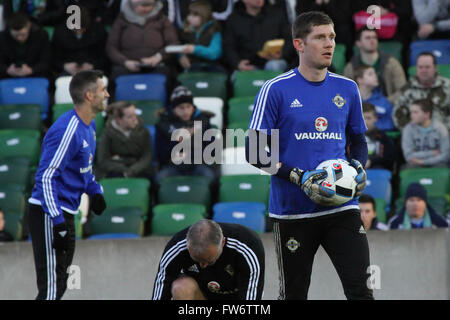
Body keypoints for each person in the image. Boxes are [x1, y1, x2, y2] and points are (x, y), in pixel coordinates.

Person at [246, 11, 373, 300]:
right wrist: (299, 177)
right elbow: (253, 151)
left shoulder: (348, 88)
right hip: (293, 211)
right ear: (299, 44)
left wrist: (357, 168)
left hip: (342, 207)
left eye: (332, 37)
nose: (329, 44)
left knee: (361, 291)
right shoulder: (275, 89)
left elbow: (358, 141)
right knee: (294, 295)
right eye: (320, 37)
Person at [27, 70, 109, 300]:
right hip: (49, 213)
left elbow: (83, 169)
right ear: (89, 96)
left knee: (60, 284)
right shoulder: (67, 129)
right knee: (52, 287)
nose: (107, 94)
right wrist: (57, 221)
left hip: (66, 212)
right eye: (103, 90)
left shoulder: (89, 127)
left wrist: (95, 191)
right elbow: (46, 177)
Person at [152, 219, 265, 300]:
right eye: (197, 260)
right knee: (181, 287)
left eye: (209, 261)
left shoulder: (248, 246)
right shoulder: (177, 246)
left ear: (223, 243)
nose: (203, 266)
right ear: (187, 244)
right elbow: (162, 285)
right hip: (201, 296)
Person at [106, 0, 179, 84]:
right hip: (126, 66)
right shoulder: (121, 19)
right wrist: (125, 62)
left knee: (168, 74)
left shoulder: (162, 19)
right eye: (142, 6)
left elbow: (173, 44)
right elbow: (111, 47)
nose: (146, 9)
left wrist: (158, 57)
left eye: (149, 5)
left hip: (157, 65)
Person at [155, 85, 215, 183]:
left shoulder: (203, 122)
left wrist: (189, 155)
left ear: (193, 107)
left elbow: (212, 151)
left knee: (210, 178)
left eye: (188, 107)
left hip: (197, 165)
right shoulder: (163, 125)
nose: (185, 111)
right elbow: (161, 155)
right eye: (181, 108)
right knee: (160, 179)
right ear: (173, 108)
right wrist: (179, 140)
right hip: (173, 166)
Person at [223, 0, 295, 73]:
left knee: (274, 65)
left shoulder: (277, 14)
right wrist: (237, 63)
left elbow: (290, 39)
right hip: (248, 65)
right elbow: (228, 46)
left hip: (274, 61)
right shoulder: (233, 19)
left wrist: (281, 54)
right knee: (240, 75)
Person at [343, 26, 406, 103]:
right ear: (358, 43)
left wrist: (385, 103)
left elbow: (403, 89)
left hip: (388, 107)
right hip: (361, 107)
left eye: (374, 37)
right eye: (368, 38)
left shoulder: (392, 63)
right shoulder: (351, 67)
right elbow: (345, 92)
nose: (372, 40)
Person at [393, 52, 450, 131]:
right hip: (415, 136)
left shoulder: (447, 86)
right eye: (420, 67)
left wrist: (443, 129)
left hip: (443, 135)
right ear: (416, 68)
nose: (423, 70)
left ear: (435, 68)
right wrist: (412, 130)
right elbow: (398, 115)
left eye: (427, 67)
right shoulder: (407, 89)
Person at [96, 101, 153, 179]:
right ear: (119, 119)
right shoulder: (108, 133)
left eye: (135, 115)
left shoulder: (143, 131)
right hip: (116, 170)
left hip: (139, 170)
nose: (135, 119)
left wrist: (132, 170)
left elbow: (147, 156)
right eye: (130, 117)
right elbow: (103, 160)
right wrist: (124, 170)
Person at [51, 5, 107, 76]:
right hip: (67, 71)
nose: (79, 31)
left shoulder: (98, 31)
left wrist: (92, 66)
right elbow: (54, 57)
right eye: (75, 28)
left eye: (82, 28)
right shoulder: (60, 32)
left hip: (93, 69)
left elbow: (104, 56)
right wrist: (65, 66)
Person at [177, 0, 225, 73]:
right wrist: (181, 56)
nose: (189, 18)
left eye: (194, 15)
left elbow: (215, 53)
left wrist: (194, 49)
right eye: (189, 14)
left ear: (204, 16)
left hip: (211, 68)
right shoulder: (184, 31)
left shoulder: (214, 31)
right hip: (191, 68)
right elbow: (177, 46)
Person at [0, 12, 50, 79]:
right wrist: (7, 70)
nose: (19, 38)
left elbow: (47, 61)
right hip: (8, 76)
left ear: (28, 26)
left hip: (36, 75)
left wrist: (32, 70)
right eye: (16, 35)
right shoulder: (2, 38)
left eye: (23, 35)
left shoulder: (41, 36)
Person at [401, 99, 449, 168]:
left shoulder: (440, 129)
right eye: (411, 112)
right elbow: (408, 156)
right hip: (415, 164)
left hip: (437, 164)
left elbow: (445, 156)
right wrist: (432, 153)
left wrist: (424, 162)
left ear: (427, 114)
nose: (411, 115)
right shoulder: (408, 129)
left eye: (415, 112)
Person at [355, 65, 396, 131]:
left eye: (375, 73)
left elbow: (391, 123)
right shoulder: (350, 101)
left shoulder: (383, 101)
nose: (375, 76)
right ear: (360, 80)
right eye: (370, 74)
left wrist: (372, 127)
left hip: (378, 138)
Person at [362, 102, 395, 170]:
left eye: (368, 118)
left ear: (375, 118)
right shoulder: (351, 137)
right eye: (362, 118)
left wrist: (371, 162)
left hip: (376, 169)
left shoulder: (383, 137)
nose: (365, 121)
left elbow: (388, 159)